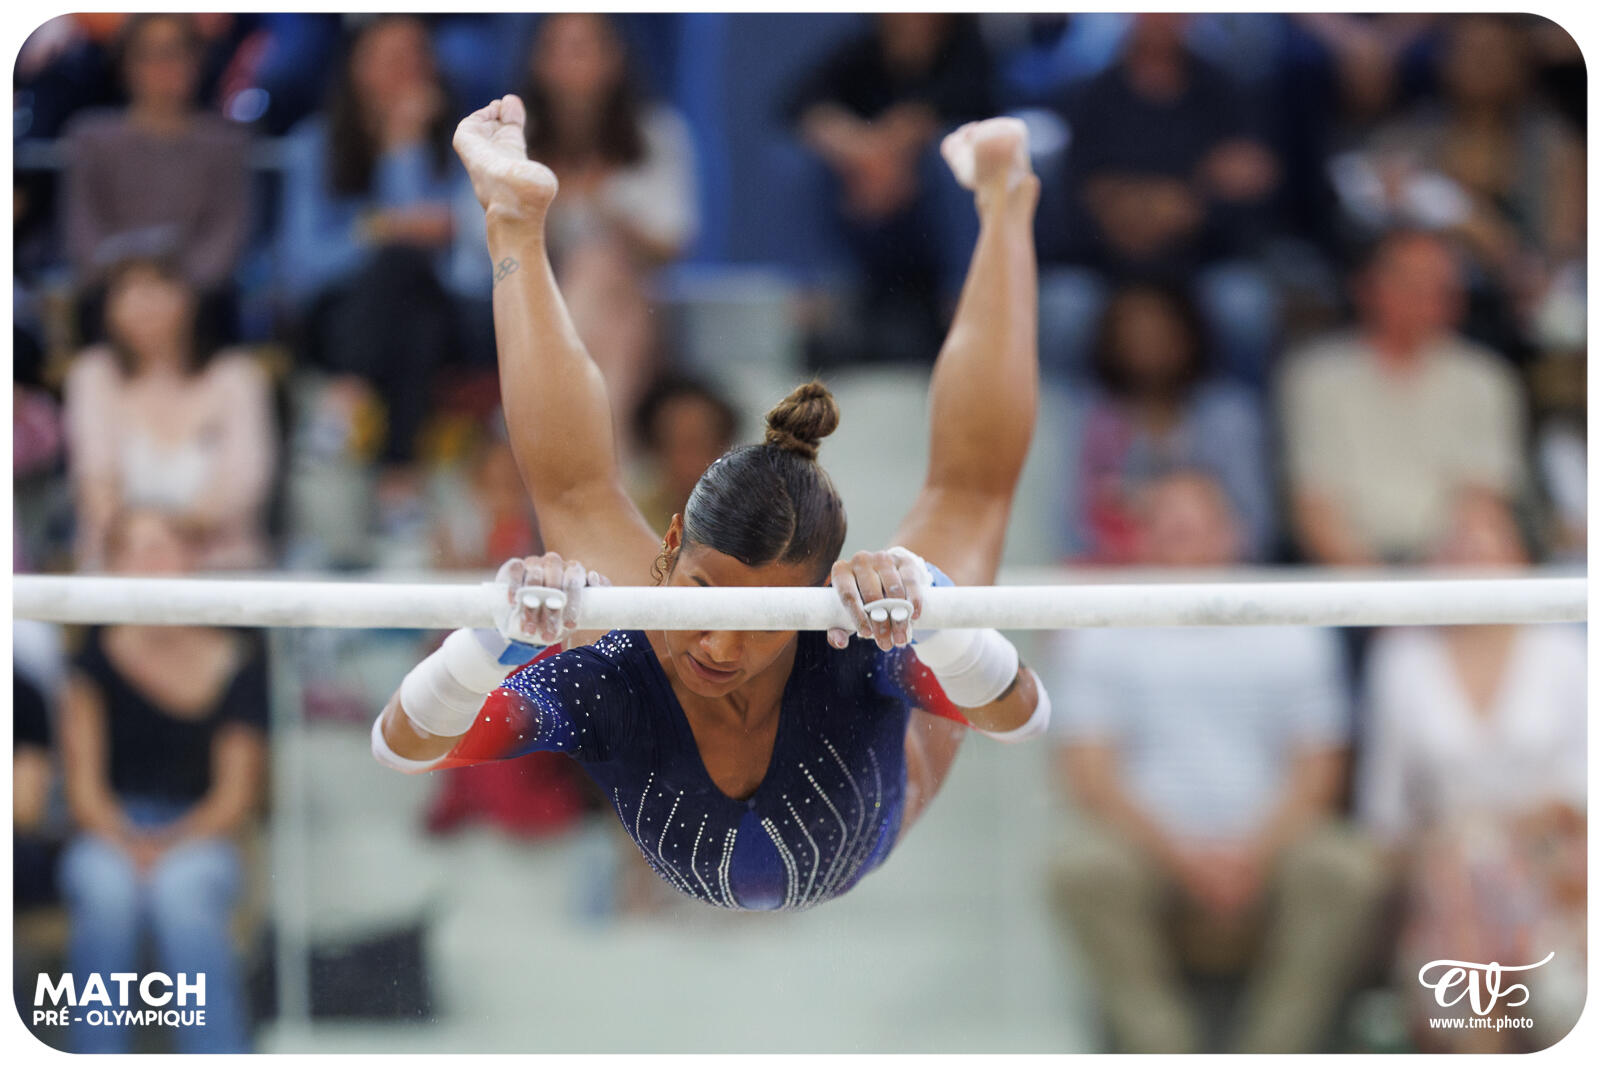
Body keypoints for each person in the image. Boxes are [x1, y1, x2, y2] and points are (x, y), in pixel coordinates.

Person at [371, 98, 1051, 912]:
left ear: (815, 597)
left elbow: (1021, 717)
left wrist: (932, 612)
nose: (720, 642)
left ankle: (1006, 199)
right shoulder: (615, 675)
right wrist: (494, 640)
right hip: (669, 648)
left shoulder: (856, 653)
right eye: (705, 594)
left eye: (764, 616)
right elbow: (403, 747)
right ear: (671, 550)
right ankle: (511, 223)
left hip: (879, 793)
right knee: (574, 496)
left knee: (967, 497)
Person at [1045, 470, 1383, 1052]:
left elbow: (1319, 768)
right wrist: (1186, 859)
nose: (1182, 541)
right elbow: (1091, 776)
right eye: (1167, 528)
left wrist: (1251, 854)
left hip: (1271, 849)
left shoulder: (1289, 627)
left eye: (1195, 527)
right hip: (1151, 853)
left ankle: (1273, 1049)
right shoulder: (1100, 629)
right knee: (1081, 867)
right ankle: (1163, 1047)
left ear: (1233, 535)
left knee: (1346, 867)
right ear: (1141, 540)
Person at [1358, 489, 1585, 1051]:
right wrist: (1454, 849)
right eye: (1454, 550)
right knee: (1460, 884)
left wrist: (1509, 839)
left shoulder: (1565, 649)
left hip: (1555, 865)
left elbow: (1587, 789)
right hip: (1443, 869)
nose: (1469, 562)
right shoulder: (1401, 658)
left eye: (1485, 547)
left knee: (1496, 880)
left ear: (1521, 561)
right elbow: (1382, 812)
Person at [58, 510, 268, 1052]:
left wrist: (170, 844)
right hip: (111, 829)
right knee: (105, 895)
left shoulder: (236, 660)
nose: (153, 564)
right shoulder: (91, 660)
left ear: (191, 559)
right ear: (113, 567)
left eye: (164, 548)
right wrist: (129, 841)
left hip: (203, 835)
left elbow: (236, 794)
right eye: (137, 551)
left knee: (185, 898)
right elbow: (84, 791)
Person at [279, 15, 464, 516]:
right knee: (401, 281)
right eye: (389, 58)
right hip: (336, 314)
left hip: (437, 311)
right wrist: (384, 231)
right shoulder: (314, 144)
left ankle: (347, 393)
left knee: (411, 287)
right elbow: (301, 266)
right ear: (356, 67)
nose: (405, 73)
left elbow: (463, 269)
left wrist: (404, 147)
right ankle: (398, 475)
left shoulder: (462, 147)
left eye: (416, 58)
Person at [490, 12, 699, 450]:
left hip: (636, 313)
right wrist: (551, 202)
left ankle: (552, 438)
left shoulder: (658, 136)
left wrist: (605, 205)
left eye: (582, 48)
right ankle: (608, 455)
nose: (571, 63)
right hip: (526, 305)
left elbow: (672, 241)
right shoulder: (511, 141)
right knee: (590, 277)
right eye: (558, 49)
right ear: (538, 62)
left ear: (614, 58)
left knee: (601, 271)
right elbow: (482, 241)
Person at [1043, 13, 1281, 384]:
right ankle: (1057, 436)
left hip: (1199, 258)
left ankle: (1240, 431)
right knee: (1063, 309)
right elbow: (1080, 200)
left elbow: (1248, 188)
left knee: (1243, 305)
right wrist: (1189, 192)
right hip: (1108, 261)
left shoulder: (1225, 91)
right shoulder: (1091, 93)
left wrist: (1144, 199)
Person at [1279, 228, 1527, 566]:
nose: (1428, 296)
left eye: (1441, 285)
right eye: (1411, 281)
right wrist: (1380, 602)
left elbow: (1483, 501)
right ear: (1366, 288)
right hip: (1349, 581)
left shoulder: (1484, 379)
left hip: (1450, 574)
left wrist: (1430, 598)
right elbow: (1314, 506)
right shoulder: (1316, 377)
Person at [786, 14, 995, 367]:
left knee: (953, 157)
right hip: (868, 202)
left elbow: (970, 105)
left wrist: (896, 151)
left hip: (933, 205)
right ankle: (822, 312)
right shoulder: (860, 51)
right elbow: (800, 104)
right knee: (799, 164)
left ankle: (965, 308)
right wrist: (860, 152)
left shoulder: (970, 50)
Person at [62, 257, 276, 571]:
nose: (143, 303)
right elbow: (94, 478)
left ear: (189, 298)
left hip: (220, 571)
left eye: (156, 287)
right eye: (128, 291)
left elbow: (245, 483)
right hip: (119, 570)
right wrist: (142, 542)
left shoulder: (236, 376)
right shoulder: (93, 373)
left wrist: (172, 542)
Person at [62, 13, 251, 342]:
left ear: (197, 59)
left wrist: (172, 286)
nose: (164, 67)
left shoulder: (225, 142)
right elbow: (83, 232)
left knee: (218, 309)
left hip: (198, 295)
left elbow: (227, 234)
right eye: (149, 54)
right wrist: (134, 283)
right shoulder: (90, 137)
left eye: (175, 52)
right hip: (113, 290)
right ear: (126, 64)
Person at [1059, 283, 1271, 563]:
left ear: (1187, 334)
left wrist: (1192, 530)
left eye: (1160, 331)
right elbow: (1076, 527)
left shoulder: (1229, 417)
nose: (1147, 343)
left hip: (1220, 571)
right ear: (1109, 341)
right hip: (1123, 576)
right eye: (1133, 332)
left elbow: (1255, 526)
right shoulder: (1092, 419)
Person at [628, 374, 741, 536]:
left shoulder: (754, 516)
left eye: (702, 445)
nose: (692, 462)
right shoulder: (633, 514)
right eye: (677, 447)